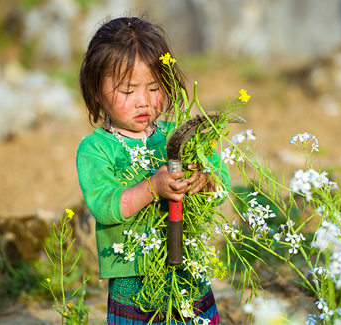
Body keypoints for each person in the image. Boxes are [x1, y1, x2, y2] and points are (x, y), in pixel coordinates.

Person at [76, 15, 230, 324]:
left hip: (187, 266)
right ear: (95, 92)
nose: (144, 101)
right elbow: (105, 207)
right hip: (132, 277)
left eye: (155, 87)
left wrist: (203, 180)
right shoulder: (95, 149)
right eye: (128, 91)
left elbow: (221, 181)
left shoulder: (177, 136)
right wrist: (151, 188)